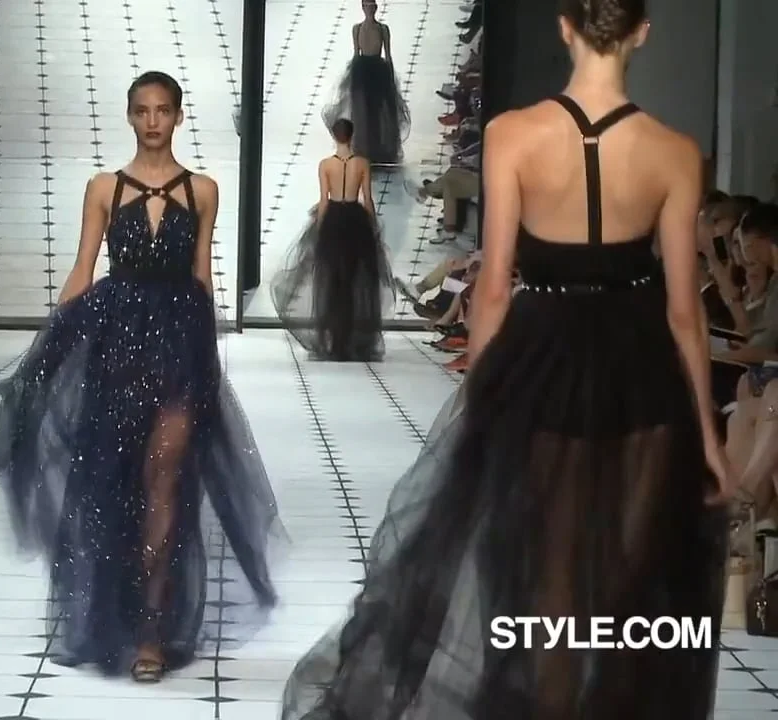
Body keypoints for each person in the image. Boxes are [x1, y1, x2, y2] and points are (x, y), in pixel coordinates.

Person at [281, 1, 729, 718]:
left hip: (542, 358)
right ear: (643, 32)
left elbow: (492, 287)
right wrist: (707, 434)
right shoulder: (675, 152)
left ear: (565, 28)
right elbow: (684, 311)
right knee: (630, 575)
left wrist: (479, 402)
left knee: (548, 575)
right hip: (641, 368)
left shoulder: (513, 135)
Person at [0, 71, 284, 683]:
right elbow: (83, 269)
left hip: (178, 345)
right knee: (113, 484)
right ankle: (115, 612)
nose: (153, 121)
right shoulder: (103, 188)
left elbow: (201, 276)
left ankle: (151, 630)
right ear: (129, 116)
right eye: (143, 110)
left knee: (166, 480)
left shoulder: (203, 190)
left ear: (178, 116)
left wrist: (207, 362)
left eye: (163, 110)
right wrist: (46, 353)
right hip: (116, 342)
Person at [272, 119, 393, 361]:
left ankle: (336, 339)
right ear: (352, 135)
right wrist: (372, 225)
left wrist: (320, 228)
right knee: (353, 280)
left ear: (334, 136)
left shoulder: (326, 165)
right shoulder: (362, 163)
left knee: (333, 281)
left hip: (334, 221)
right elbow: (368, 199)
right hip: (356, 220)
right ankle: (352, 338)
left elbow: (324, 200)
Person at [323, 1, 411, 164]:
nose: (369, 9)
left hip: (379, 71)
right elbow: (356, 53)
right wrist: (352, 78)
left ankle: (377, 148)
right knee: (361, 112)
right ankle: (364, 149)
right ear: (363, 8)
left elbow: (388, 54)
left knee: (378, 112)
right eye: (366, 6)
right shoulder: (357, 29)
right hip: (361, 71)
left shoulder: (383, 29)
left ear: (376, 8)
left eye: (372, 5)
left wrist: (390, 76)